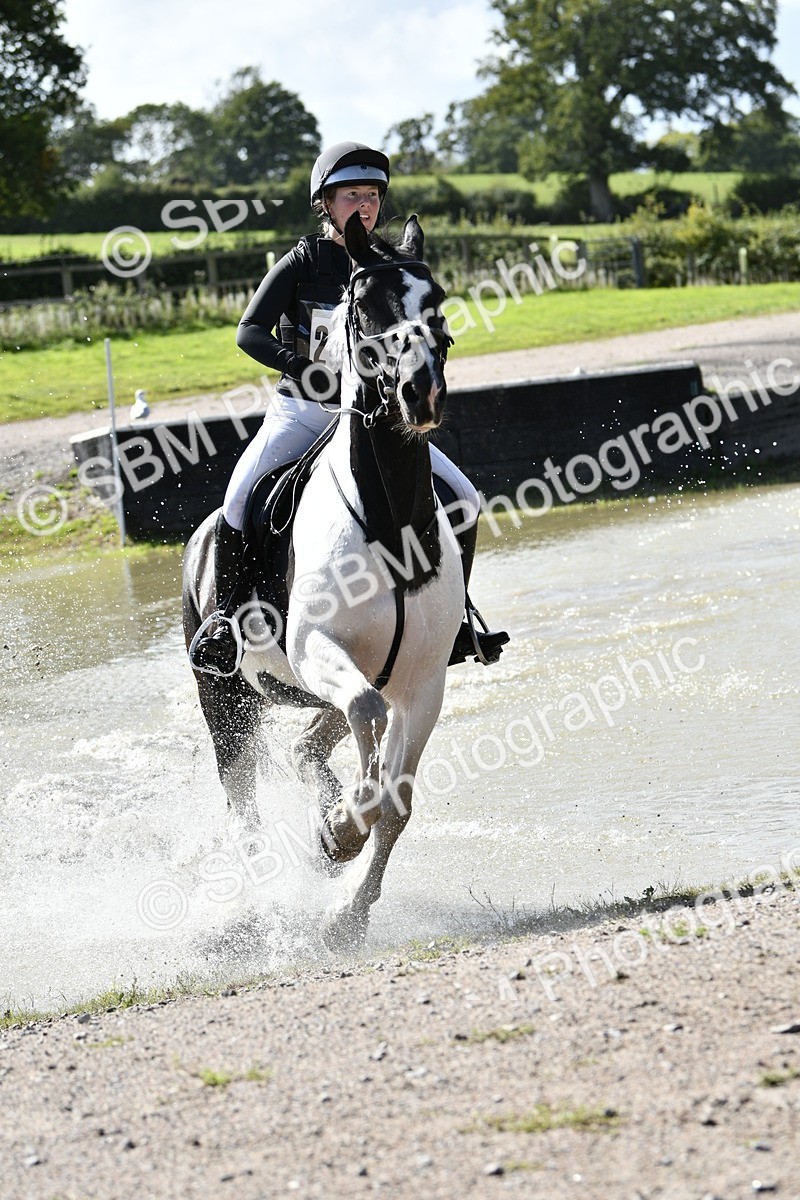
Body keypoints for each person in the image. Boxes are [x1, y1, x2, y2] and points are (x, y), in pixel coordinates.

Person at [190, 140, 509, 675]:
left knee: (465, 500)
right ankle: (225, 622)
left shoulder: (391, 266)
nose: (364, 204)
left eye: (372, 194)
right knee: (239, 501)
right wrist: (305, 368)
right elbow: (249, 332)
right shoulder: (303, 262)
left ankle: (456, 621)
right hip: (304, 413)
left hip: (375, 422)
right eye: (351, 194)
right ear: (326, 202)